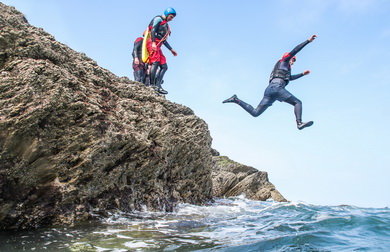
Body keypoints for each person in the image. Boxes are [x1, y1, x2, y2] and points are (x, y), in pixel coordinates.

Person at [223, 35, 317, 130]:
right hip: (276, 88)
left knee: (255, 113)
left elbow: (289, 78)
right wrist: (308, 41)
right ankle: (299, 123)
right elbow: (295, 50)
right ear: (288, 57)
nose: (293, 62)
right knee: (298, 102)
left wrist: (302, 74)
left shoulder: (283, 69)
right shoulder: (284, 61)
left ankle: (236, 100)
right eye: (293, 60)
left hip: (270, 91)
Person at [146, 7, 178, 95]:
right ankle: (152, 86)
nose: (171, 19)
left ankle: (158, 85)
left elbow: (163, 39)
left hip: (158, 45)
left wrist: (171, 50)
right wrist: (152, 43)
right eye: (171, 17)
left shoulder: (166, 26)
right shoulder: (158, 19)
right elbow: (153, 30)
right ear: (167, 14)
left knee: (164, 66)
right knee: (155, 63)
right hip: (152, 42)